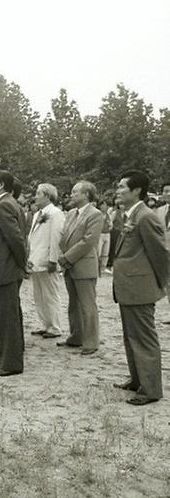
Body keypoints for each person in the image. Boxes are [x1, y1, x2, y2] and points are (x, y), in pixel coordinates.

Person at [111, 170, 168, 405]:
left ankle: (151, 390)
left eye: (123, 187)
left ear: (137, 191)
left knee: (143, 338)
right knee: (130, 336)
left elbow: (160, 255)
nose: (118, 190)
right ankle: (137, 380)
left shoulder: (146, 217)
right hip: (128, 287)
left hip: (139, 288)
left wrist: (160, 283)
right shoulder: (130, 214)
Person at [0, 171, 27, 376]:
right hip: (5, 267)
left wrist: (20, 264)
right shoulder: (5, 203)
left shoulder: (4, 204)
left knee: (6, 315)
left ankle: (10, 363)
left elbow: (16, 239)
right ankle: (6, 355)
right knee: (6, 314)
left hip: (5, 268)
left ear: (0, 185)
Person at [57, 181, 104, 355]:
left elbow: (88, 241)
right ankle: (76, 336)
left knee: (87, 304)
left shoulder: (95, 214)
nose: (71, 195)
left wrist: (67, 257)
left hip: (84, 264)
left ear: (86, 194)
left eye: (75, 192)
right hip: (69, 264)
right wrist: (62, 254)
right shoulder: (70, 213)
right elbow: (64, 236)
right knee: (73, 303)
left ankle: (91, 342)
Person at [27, 183, 66, 340]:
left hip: (47, 259)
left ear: (48, 196)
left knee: (50, 293)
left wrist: (53, 260)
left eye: (38, 193)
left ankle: (55, 326)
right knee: (39, 294)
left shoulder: (55, 213)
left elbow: (56, 237)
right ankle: (46, 323)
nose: (35, 197)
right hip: (36, 258)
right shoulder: (37, 214)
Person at [156, 182, 170, 324]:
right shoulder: (159, 211)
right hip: (164, 251)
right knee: (168, 283)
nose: (168, 194)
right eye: (166, 191)